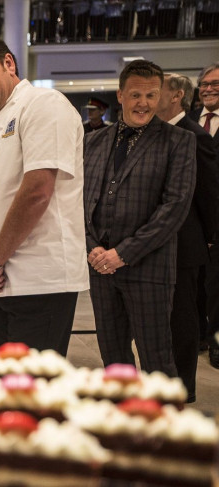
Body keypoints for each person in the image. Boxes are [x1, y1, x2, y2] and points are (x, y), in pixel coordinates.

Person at [0, 34, 89, 356]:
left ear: (9, 63)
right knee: (7, 388)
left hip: (39, 280)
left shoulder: (43, 104)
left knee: (34, 393)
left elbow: (37, 191)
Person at [83, 59, 196, 375]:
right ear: (120, 95)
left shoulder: (179, 141)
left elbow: (175, 207)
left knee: (157, 359)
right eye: (135, 95)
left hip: (149, 268)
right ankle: (122, 419)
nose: (143, 103)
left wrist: (123, 254)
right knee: (113, 358)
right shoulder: (91, 141)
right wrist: (92, 248)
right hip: (100, 269)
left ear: (160, 96)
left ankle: (161, 422)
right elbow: (77, 201)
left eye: (151, 95)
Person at [156, 72, 219, 401]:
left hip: (185, 243)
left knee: (182, 317)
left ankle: (183, 388)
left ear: (177, 95)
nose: (151, 97)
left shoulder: (194, 136)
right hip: (157, 243)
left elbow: (209, 193)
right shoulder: (157, 131)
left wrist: (209, 236)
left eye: (158, 91)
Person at [190, 61, 219, 369]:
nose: (209, 89)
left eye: (216, 84)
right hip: (193, 218)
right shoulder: (189, 122)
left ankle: (217, 341)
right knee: (194, 283)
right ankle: (198, 334)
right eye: (205, 84)